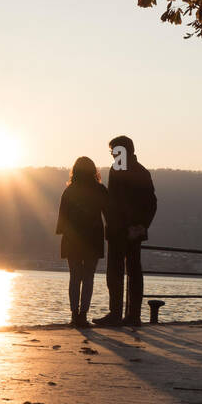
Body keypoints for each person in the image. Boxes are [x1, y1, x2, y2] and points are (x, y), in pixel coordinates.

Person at [94, 135, 157, 327]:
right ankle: (133, 315)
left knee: (115, 272)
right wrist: (141, 225)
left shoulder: (117, 170)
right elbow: (152, 203)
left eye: (114, 151)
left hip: (119, 230)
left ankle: (115, 314)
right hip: (134, 231)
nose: (112, 154)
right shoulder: (143, 172)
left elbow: (115, 202)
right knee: (134, 271)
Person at [56, 156, 109, 328]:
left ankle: (74, 316)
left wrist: (66, 233)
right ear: (94, 171)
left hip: (73, 238)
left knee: (75, 277)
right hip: (93, 238)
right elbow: (109, 213)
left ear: (75, 171)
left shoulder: (70, 191)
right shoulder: (99, 189)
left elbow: (62, 218)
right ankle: (83, 315)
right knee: (88, 278)